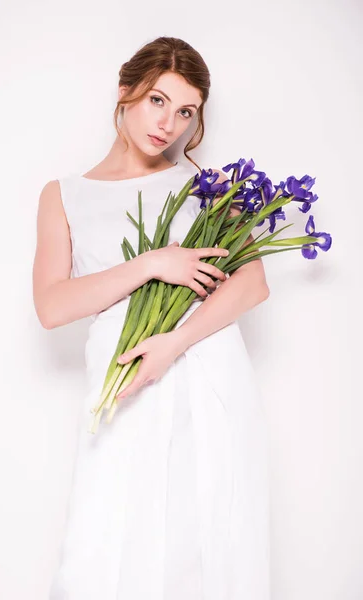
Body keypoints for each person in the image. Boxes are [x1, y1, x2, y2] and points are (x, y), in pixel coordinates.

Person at [33, 36, 271, 600]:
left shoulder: (210, 190)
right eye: (157, 101)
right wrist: (152, 263)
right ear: (126, 91)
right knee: (106, 536)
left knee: (209, 530)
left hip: (206, 368)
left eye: (186, 111)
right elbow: (52, 306)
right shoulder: (64, 194)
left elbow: (253, 284)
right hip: (122, 379)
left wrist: (174, 343)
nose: (169, 124)